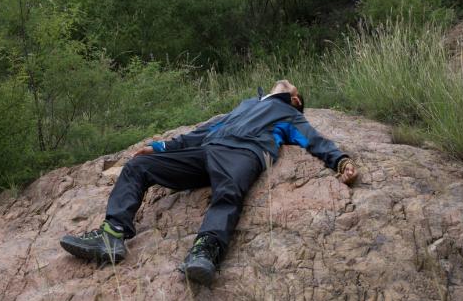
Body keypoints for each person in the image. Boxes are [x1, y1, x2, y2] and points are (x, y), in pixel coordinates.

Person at [59, 80, 358, 286]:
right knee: (138, 166)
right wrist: (162, 147)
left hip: (243, 153)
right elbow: (205, 130)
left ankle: (205, 251)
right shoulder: (246, 104)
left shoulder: (290, 114)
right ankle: (112, 235)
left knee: (228, 193)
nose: (285, 82)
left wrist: (341, 161)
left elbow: (315, 140)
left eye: (292, 87)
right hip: (206, 151)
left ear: (295, 100)